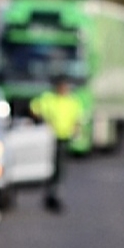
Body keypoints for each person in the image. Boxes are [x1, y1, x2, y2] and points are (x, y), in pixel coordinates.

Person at [29, 75, 83, 213]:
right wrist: (42, 121)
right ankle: (50, 194)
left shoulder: (72, 101)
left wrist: (76, 130)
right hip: (48, 138)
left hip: (64, 138)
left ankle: (53, 194)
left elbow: (77, 118)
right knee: (50, 167)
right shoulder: (49, 99)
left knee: (59, 168)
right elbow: (34, 108)